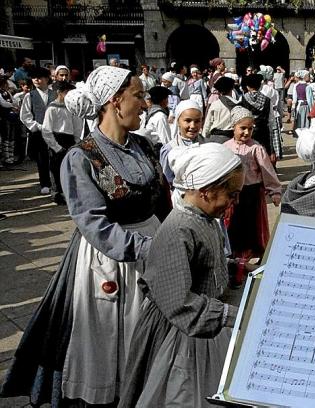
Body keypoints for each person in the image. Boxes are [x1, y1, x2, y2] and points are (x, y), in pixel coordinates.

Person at [0, 66, 171, 407]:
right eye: (138, 96)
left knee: (152, 333)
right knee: (110, 335)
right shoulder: (82, 157)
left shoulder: (146, 146)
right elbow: (94, 223)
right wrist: (150, 248)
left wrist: (177, 237)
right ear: (114, 100)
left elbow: (163, 204)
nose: (145, 103)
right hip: (108, 260)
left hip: (154, 246)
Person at [118, 143, 243, 407]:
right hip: (178, 333)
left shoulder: (204, 220)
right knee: (179, 394)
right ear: (206, 191)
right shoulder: (178, 229)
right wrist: (237, 316)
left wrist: (236, 265)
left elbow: (202, 263)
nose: (234, 202)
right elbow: (180, 303)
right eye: (231, 194)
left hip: (201, 327)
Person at [223, 107, 282, 284]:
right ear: (233, 126)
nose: (246, 132)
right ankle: (234, 265)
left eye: (250, 128)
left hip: (252, 195)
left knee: (252, 232)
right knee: (233, 231)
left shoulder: (257, 148)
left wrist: (275, 191)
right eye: (242, 128)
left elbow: (267, 172)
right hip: (233, 198)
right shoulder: (225, 148)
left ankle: (249, 266)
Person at [41, 80, 83, 205]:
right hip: (57, 139)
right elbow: (46, 130)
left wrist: (77, 140)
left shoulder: (71, 107)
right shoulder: (52, 108)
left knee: (70, 167)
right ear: (59, 93)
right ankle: (57, 194)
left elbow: (77, 125)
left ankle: (70, 192)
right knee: (55, 168)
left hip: (69, 140)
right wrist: (56, 146)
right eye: (67, 92)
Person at [20, 66, 56, 195]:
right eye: (34, 78)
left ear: (47, 79)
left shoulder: (55, 94)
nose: (36, 80)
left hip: (55, 131)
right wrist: (37, 126)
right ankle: (44, 183)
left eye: (39, 78)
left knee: (55, 157)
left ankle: (56, 183)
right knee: (42, 158)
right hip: (39, 132)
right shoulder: (30, 96)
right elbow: (25, 115)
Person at [160, 100, 203, 185]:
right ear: (178, 121)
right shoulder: (170, 149)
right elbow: (167, 180)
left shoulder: (207, 144)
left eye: (197, 121)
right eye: (188, 121)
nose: (193, 126)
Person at [241, 73, 275, 164]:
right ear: (260, 86)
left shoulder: (243, 99)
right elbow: (271, 118)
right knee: (263, 155)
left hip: (248, 130)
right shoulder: (266, 99)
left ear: (247, 86)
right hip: (263, 130)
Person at [202, 77, 240, 142]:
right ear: (232, 88)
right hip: (231, 139)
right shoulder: (238, 105)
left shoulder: (215, 104)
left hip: (215, 138)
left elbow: (208, 124)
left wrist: (204, 138)